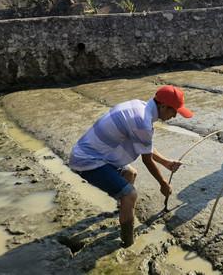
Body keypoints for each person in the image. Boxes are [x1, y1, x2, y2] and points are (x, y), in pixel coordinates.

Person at [69, 85, 193, 247]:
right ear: (163, 106)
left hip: (97, 154)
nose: (175, 115)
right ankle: (127, 242)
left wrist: (166, 162)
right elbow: (147, 160)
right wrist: (163, 184)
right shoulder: (142, 121)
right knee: (130, 195)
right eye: (174, 111)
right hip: (87, 160)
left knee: (130, 174)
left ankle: (123, 211)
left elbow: (145, 145)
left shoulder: (140, 106)